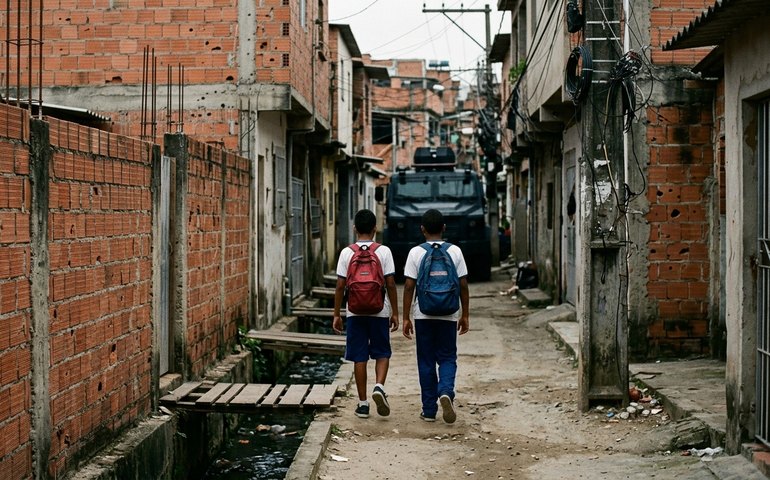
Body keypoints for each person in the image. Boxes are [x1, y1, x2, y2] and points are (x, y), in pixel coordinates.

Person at [402, 209, 469, 423]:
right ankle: (446, 392)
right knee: (448, 357)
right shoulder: (455, 252)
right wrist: (465, 314)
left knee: (426, 361)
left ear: (422, 230)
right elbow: (463, 285)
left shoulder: (415, 253)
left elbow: (409, 287)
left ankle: (429, 410)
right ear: (444, 229)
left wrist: (405, 317)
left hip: (423, 315)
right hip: (449, 314)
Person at [333, 209, 399, 419]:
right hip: (379, 310)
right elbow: (390, 284)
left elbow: (340, 286)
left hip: (354, 311)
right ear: (374, 229)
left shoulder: (346, 252)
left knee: (359, 357)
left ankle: (362, 404)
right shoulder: (384, 251)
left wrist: (337, 314)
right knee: (382, 352)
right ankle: (379, 386)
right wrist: (395, 313)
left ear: (355, 229)